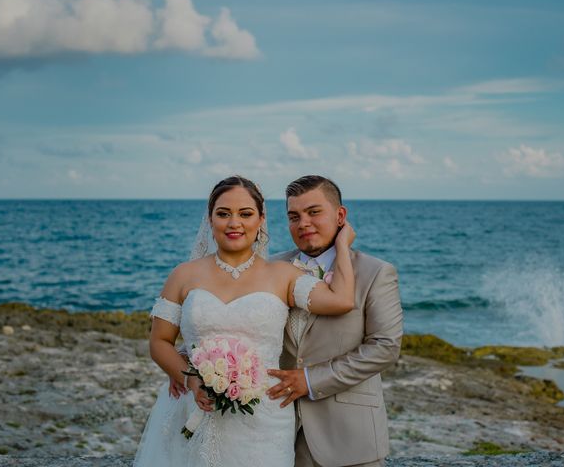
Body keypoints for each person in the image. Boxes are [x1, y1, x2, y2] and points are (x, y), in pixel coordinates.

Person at [133, 176, 357, 467]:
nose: (234, 223)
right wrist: (189, 377)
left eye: (245, 214)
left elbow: (342, 300)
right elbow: (160, 342)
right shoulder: (183, 276)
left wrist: (341, 245)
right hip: (196, 409)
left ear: (261, 219)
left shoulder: (283, 275)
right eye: (223, 214)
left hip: (265, 420)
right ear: (210, 219)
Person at [267, 175, 403, 467]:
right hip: (277, 433)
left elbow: (385, 347)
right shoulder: (270, 268)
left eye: (314, 212)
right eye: (294, 216)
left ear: (340, 216)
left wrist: (311, 380)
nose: (303, 223)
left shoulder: (376, 272)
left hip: (350, 437)